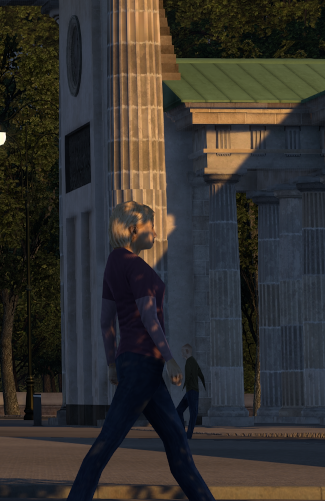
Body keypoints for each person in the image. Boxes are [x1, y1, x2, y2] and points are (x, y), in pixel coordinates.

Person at [67, 202, 216, 501]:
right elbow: (149, 317)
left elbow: (105, 321)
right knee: (107, 443)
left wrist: (112, 364)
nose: (156, 232)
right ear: (134, 229)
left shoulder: (114, 263)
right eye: (151, 225)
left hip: (133, 364)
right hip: (144, 364)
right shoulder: (137, 267)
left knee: (178, 448)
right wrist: (170, 359)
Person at [177, 344, 205, 439]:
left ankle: (188, 435)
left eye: (183, 351)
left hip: (192, 391)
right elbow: (200, 374)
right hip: (190, 391)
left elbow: (189, 376)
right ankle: (184, 433)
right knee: (179, 410)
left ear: (187, 351)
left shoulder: (190, 362)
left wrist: (181, 383)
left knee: (193, 413)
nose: (181, 353)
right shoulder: (192, 361)